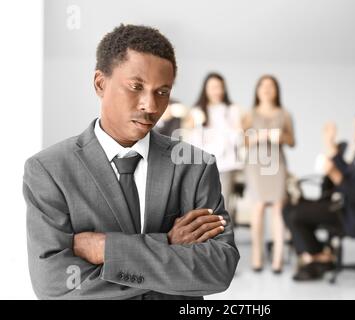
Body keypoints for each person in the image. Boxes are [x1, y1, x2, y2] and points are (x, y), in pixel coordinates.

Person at [23, 24, 239, 300]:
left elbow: (218, 269)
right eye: (136, 87)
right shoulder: (48, 170)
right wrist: (169, 244)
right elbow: (54, 284)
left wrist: (108, 250)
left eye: (162, 92)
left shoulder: (196, 166)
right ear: (100, 83)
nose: (150, 106)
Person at [283, 111, 355, 281]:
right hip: (341, 205)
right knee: (290, 208)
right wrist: (330, 144)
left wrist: (333, 173)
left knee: (296, 214)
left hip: (352, 215)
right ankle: (319, 255)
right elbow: (348, 172)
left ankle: (318, 258)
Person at [242, 75, 295, 274]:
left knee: (278, 207)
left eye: (270, 86)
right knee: (258, 207)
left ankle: (278, 258)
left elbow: (292, 141)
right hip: (255, 165)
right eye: (262, 85)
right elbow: (242, 140)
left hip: (276, 164)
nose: (266, 89)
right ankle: (257, 255)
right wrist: (256, 137)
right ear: (257, 90)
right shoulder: (249, 113)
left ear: (276, 90)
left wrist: (281, 137)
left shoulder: (284, 114)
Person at [185, 73, 243, 220]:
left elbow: (238, 139)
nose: (216, 91)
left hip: (226, 166)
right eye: (212, 87)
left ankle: (224, 241)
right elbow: (193, 142)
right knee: (204, 205)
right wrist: (194, 124)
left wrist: (232, 126)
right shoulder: (197, 111)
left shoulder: (232, 109)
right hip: (203, 166)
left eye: (219, 87)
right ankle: (207, 240)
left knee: (225, 206)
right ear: (205, 89)